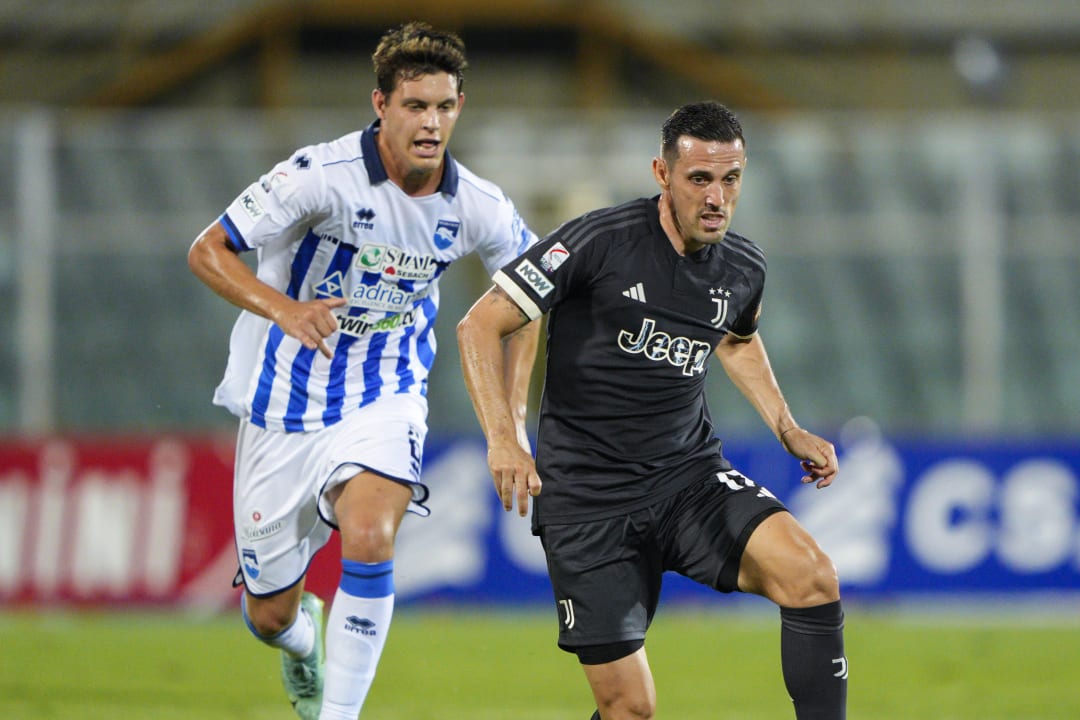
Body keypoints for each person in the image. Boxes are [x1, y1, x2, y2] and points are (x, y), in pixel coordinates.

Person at [187, 22, 540, 720]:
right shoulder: (318, 176)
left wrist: (513, 423)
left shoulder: (479, 206)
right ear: (381, 105)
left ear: (459, 107)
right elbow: (208, 250)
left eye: (443, 106)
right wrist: (283, 308)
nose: (431, 122)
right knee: (267, 617)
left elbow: (529, 300)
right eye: (415, 105)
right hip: (283, 400)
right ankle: (301, 640)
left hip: (383, 394)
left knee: (374, 533)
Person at [457, 101, 847, 720]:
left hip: (688, 479)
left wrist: (786, 425)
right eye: (700, 179)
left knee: (812, 577)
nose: (717, 197)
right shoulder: (598, 241)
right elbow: (481, 325)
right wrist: (504, 438)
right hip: (589, 499)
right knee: (629, 709)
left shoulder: (744, 266)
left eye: (731, 179)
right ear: (662, 175)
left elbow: (738, 339)